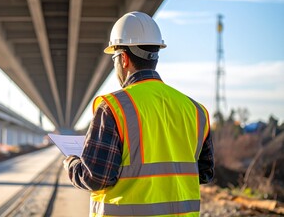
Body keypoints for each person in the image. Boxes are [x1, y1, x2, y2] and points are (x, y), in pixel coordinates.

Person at [63, 11, 214, 217]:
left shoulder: (113, 107)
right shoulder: (195, 110)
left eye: (114, 58)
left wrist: (72, 163)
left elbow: (96, 177)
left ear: (123, 59)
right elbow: (204, 173)